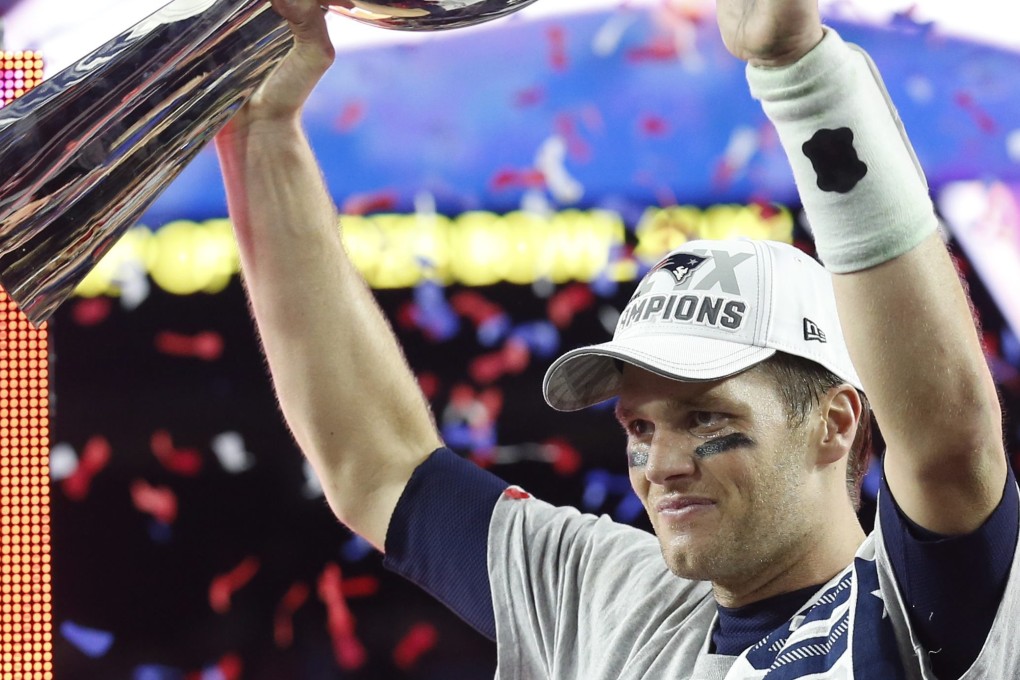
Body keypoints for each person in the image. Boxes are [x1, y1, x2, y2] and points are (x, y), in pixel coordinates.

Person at [214, 0, 1020, 677]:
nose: (661, 466)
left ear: (838, 421)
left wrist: (800, 75)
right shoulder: (608, 600)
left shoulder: (923, 612)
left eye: (705, 417)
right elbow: (377, 467)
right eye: (641, 427)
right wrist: (263, 134)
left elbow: (950, 442)